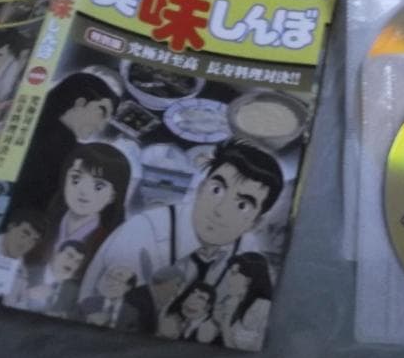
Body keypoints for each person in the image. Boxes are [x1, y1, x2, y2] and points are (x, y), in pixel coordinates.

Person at [78, 140, 285, 330]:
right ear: (201, 188)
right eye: (216, 190)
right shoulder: (143, 234)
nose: (220, 210)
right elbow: (97, 312)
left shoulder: (248, 253)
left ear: (254, 222)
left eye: (242, 205)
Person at [6, 67, 122, 214]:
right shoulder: (65, 152)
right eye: (102, 113)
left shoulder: (36, 127)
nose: (101, 127)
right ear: (79, 103)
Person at [43, 143, 130, 264]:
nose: (83, 191)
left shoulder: (109, 243)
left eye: (98, 186)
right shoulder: (44, 221)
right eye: (76, 179)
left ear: (113, 196)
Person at [201, 252, 274, 351]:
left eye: (234, 273)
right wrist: (216, 321)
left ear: (249, 279)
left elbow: (239, 350)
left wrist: (225, 321)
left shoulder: (261, 306)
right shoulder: (232, 300)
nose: (228, 278)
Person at [13, 240, 85, 316]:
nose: (71, 263)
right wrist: (28, 296)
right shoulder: (27, 271)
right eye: (69, 256)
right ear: (56, 253)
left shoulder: (75, 290)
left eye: (77, 261)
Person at [75, 264, 140, 331]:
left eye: (117, 279)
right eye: (109, 277)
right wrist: (88, 321)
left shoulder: (132, 313)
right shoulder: (87, 302)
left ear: (128, 287)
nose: (110, 282)